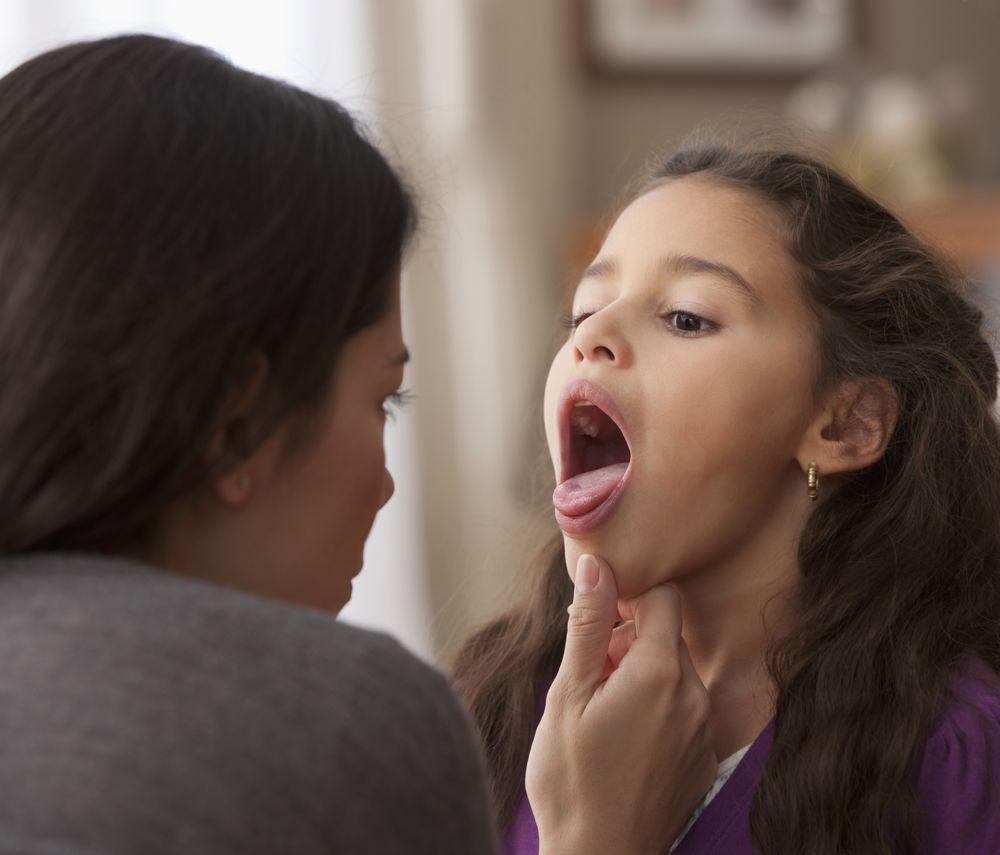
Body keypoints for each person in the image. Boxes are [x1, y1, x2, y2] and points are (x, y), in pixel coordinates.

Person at [0, 34, 715, 855]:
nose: (384, 486)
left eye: (687, 317)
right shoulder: (337, 720)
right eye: (384, 396)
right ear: (236, 424)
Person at [453, 145, 1000, 854]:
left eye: (685, 318)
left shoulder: (957, 762)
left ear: (845, 422)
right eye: (583, 310)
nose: (592, 336)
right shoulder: (490, 712)